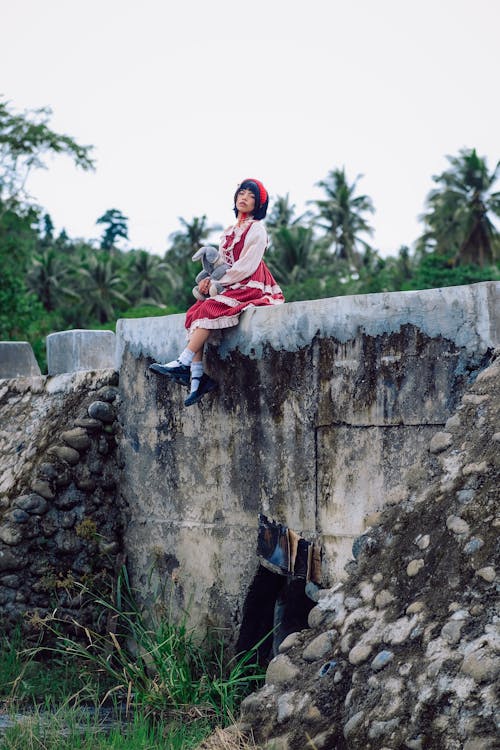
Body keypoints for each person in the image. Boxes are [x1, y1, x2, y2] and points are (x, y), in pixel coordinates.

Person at [150, 178, 285, 406]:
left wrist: (219, 281)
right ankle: (196, 378)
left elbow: (246, 266)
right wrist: (209, 280)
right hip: (230, 281)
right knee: (195, 312)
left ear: (258, 204)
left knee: (211, 308)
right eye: (242, 193)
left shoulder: (257, 230)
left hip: (250, 283)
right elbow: (222, 262)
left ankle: (184, 362)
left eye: (251, 196)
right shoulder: (229, 231)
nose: (244, 198)